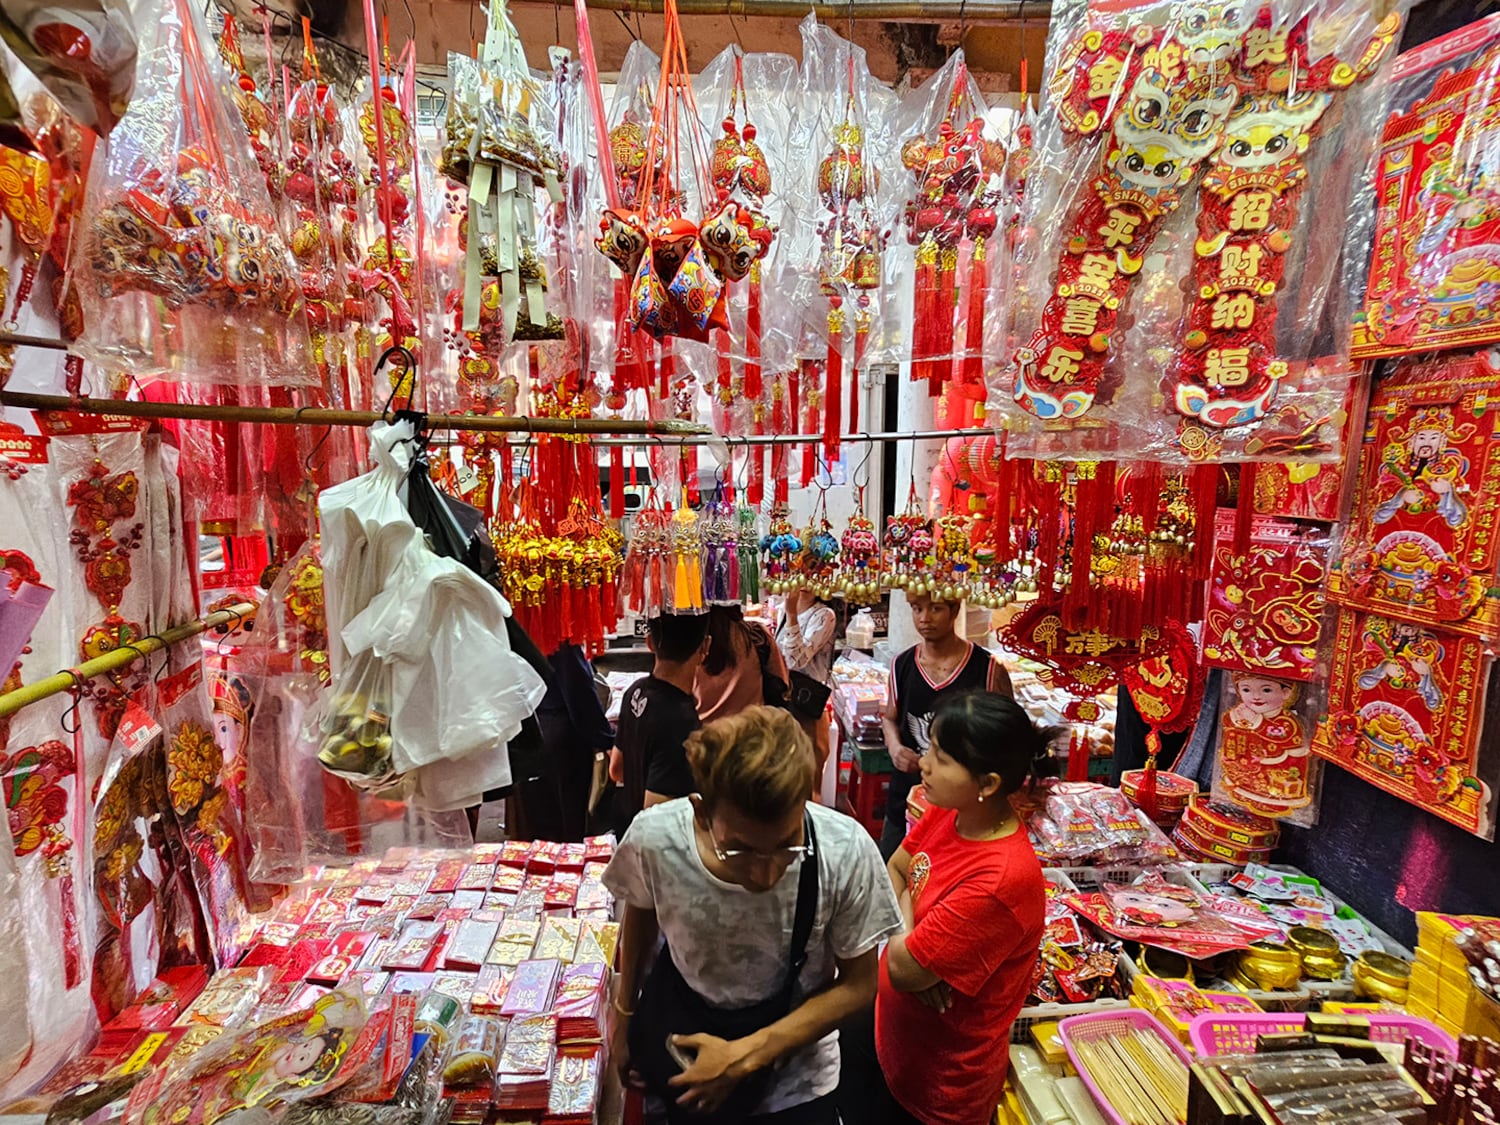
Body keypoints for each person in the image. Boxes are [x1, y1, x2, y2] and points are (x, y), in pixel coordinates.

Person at [603, 707, 902, 1124]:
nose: (767, 872)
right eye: (741, 849)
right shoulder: (656, 840)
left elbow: (859, 983)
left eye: (787, 845)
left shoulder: (844, 851)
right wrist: (624, 1018)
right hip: (686, 1061)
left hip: (797, 1085)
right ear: (701, 812)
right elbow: (640, 913)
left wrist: (742, 1057)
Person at [876, 691, 1054, 1125]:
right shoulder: (951, 811)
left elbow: (902, 969)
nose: (924, 762)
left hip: (939, 1088)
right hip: (895, 1045)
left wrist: (910, 954)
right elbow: (894, 870)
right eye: (930, 746)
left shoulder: (999, 881)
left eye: (942, 755)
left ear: (988, 783)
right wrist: (914, 941)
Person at [880, 593, 1013, 859]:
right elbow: (889, 717)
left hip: (965, 806)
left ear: (954, 612)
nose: (924, 618)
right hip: (907, 796)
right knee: (891, 872)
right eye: (917, 609)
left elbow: (1008, 733)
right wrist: (895, 747)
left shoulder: (987, 669)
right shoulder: (902, 665)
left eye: (936, 609)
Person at [609, 613, 711, 834]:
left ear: (649, 642)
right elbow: (657, 817)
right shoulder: (683, 723)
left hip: (626, 834)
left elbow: (616, 770)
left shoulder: (635, 691)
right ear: (705, 647)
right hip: (653, 855)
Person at [776, 588, 838, 786]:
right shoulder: (782, 609)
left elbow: (795, 660)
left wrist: (792, 614)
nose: (806, 579)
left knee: (807, 776)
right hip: (784, 699)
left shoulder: (824, 615)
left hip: (806, 703)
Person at [696, 603, 790, 724]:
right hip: (753, 735)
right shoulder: (756, 635)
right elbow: (782, 684)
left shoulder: (691, 644)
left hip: (706, 737)